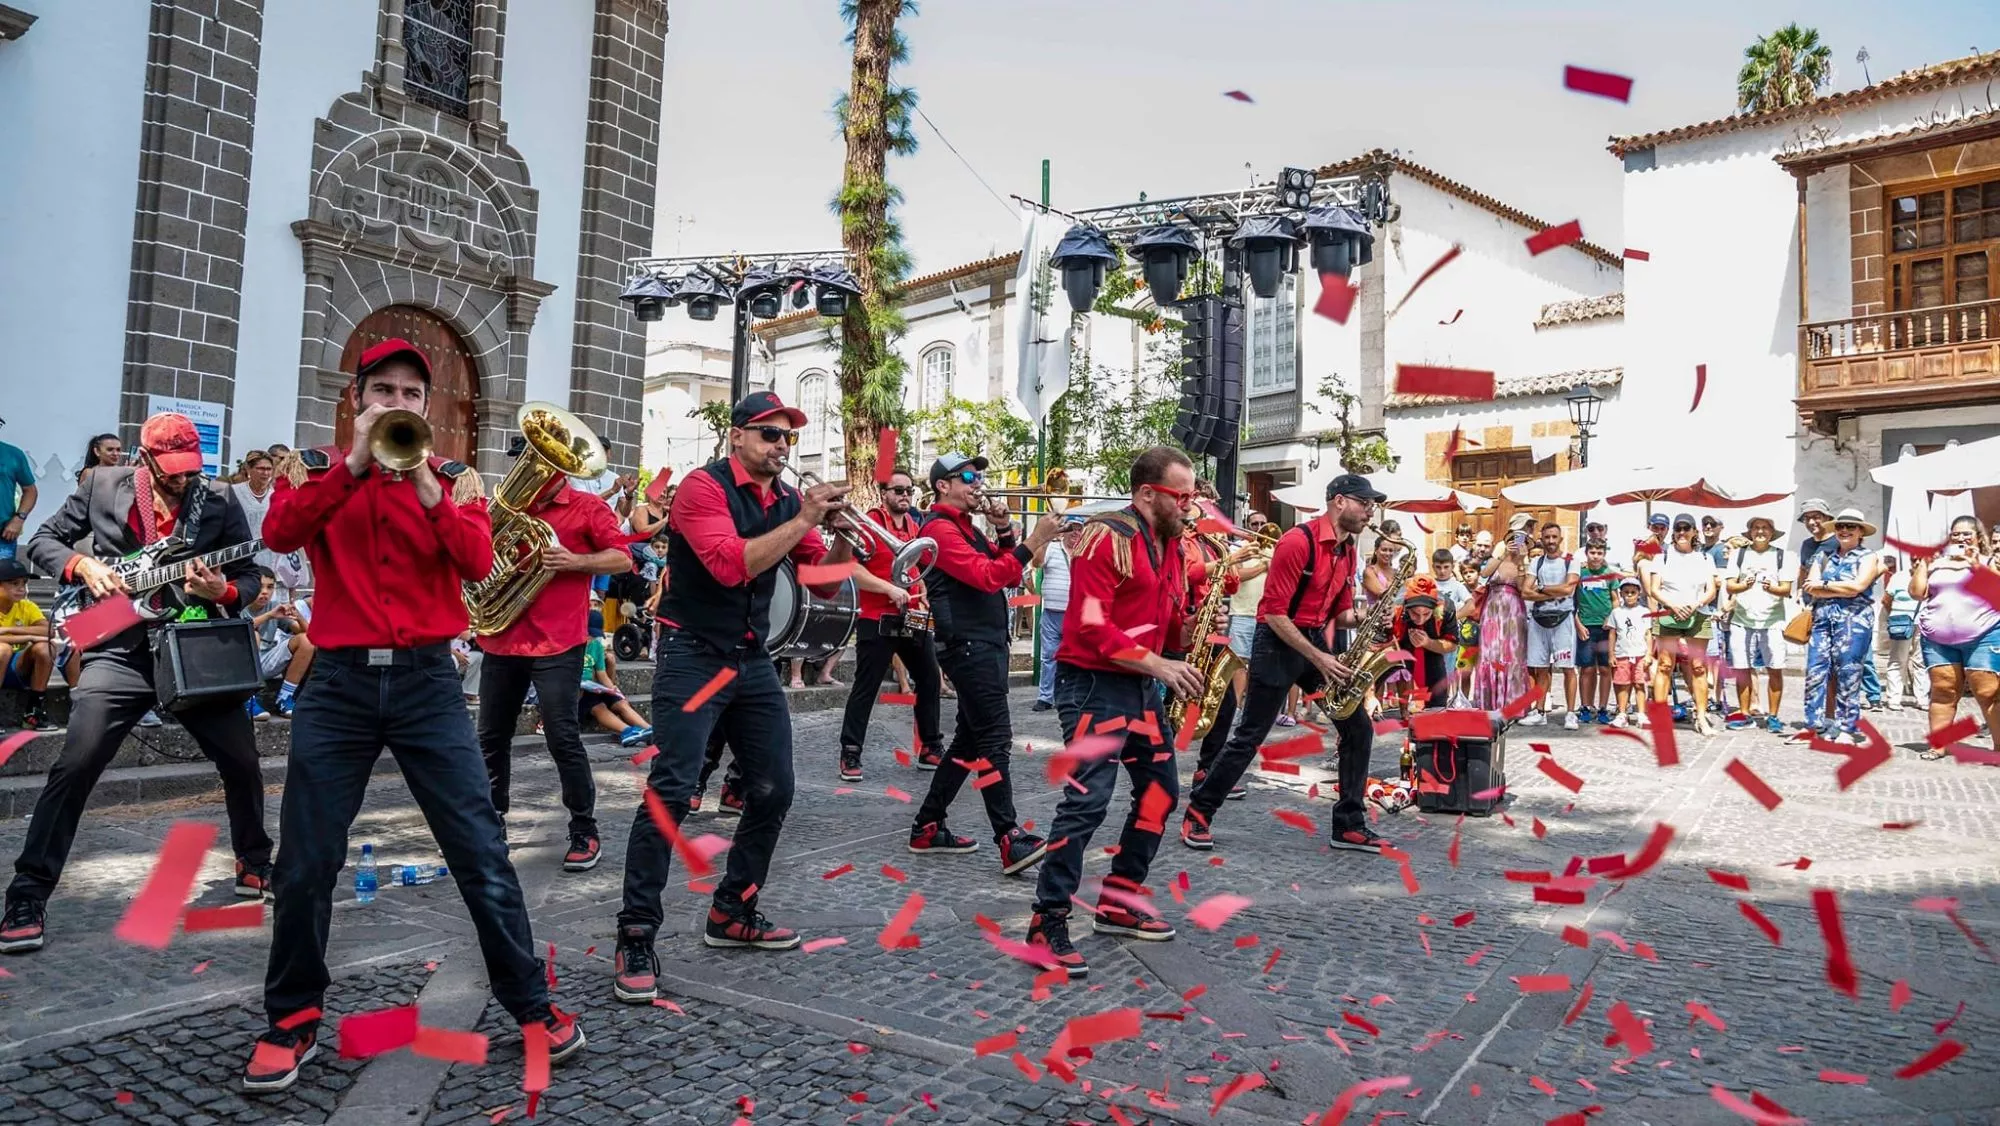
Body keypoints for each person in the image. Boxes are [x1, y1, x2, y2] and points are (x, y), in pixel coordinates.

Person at [248, 339, 583, 1092]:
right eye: (383, 391)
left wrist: (426, 482)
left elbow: (473, 562)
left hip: (428, 682)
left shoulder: (458, 482)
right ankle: (292, 1018)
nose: (397, 403)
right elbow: (281, 536)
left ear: (426, 408)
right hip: (336, 685)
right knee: (305, 860)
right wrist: (360, 465)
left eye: (410, 393)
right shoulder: (317, 470)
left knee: (480, 849)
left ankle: (530, 1005)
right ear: (356, 400)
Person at [612, 391, 856, 1005]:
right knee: (671, 790)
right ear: (738, 437)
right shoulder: (703, 488)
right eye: (770, 434)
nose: (781, 446)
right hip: (692, 654)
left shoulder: (785, 499)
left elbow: (820, 586)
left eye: (788, 437)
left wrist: (843, 539)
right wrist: (804, 520)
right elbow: (730, 566)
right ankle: (636, 932)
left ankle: (733, 910)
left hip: (750, 657)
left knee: (774, 787)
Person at [2, 413, 273, 959]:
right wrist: (82, 565)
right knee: (75, 765)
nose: (182, 479)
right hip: (118, 648)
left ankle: (255, 860)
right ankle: (27, 895)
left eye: (190, 469)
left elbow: (247, 577)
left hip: (194, 652)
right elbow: (42, 544)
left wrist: (223, 592)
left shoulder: (218, 499)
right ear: (144, 458)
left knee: (242, 761)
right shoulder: (102, 484)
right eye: (171, 470)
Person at [1025, 447, 1208, 976]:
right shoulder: (1109, 537)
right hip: (1094, 686)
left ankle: (1118, 900)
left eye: (1192, 495)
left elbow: (1163, 616)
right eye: (1183, 496)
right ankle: (1047, 918)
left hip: (1139, 684)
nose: (1190, 506)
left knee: (1160, 793)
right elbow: (1089, 625)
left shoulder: (1168, 543)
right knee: (1088, 802)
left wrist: (1186, 632)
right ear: (1147, 493)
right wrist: (1159, 664)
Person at [1181, 473, 1389, 855]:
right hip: (1276, 643)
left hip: (1309, 642)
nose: (1369, 511)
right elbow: (1275, 614)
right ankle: (1198, 811)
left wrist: (1369, 618)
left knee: (1358, 728)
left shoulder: (1348, 548)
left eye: (1372, 504)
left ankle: (1349, 824)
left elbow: (1339, 613)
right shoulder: (1297, 542)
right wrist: (1321, 657)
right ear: (1339, 501)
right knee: (1249, 737)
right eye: (1364, 503)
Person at [474, 441, 632, 875]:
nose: (530, 470)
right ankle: (492, 827)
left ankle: (584, 828)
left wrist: (576, 560)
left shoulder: (586, 507)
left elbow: (623, 558)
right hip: (503, 638)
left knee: (562, 737)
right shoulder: (504, 508)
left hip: (559, 641)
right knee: (490, 738)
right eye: (525, 462)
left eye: (540, 462)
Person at [905, 453, 1056, 871]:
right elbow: (987, 577)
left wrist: (1007, 530)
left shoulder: (966, 529)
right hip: (968, 647)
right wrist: (1035, 538)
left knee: (968, 743)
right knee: (995, 741)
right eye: (968, 477)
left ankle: (927, 826)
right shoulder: (938, 531)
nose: (978, 483)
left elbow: (1007, 574)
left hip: (983, 644)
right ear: (943, 486)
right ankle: (1008, 837)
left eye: (979, 476)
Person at [836, 466, 944, 782]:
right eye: (898, 490)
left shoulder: (914, 524)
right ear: (884, 493)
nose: (905, 496)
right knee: (866, 687)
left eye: (909, 490)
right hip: (876, 617)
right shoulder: (869, 522)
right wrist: (888, 589)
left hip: (910, 614)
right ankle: (851, 751)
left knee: (929, 678)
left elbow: (913, 566)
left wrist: (919, 586)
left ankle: (930, 746)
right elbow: (850, 569)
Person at [1910, 516, 2000, 756]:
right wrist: (1923, 564)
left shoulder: (1988, 561)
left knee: (1987, 692)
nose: (1960, 538)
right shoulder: (1936, 564)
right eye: (1956, 534)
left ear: (1978, 538)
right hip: (1937, 638)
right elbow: (1917, 593)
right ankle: (1938, 745)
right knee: (1943, 691)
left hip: (1983, 635)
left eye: (1966, 534)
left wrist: (1975, 565)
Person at [1799, 508, 1886, 746]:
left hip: (1854, 619)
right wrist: (1838, 586)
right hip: (1823, 617)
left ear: (1860, 532)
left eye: (1851, 527)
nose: (1844, 530)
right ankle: (1814, 725)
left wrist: (1825, 584)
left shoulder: (1868, 556)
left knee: (1849, 672)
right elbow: (1810, 586)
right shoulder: (1824, 555)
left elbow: (1858, 586)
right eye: (1840, 526)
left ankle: (1847, 727)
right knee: (1815, 670)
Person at [1645, 513, 1720, 735]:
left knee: (1698, 666)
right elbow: (1654, 588)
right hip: (1669, 613)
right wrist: (1673, 605)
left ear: (1694, 532)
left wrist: (1695, 604)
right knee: (1666, 665)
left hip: (1698, 614)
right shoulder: (1663, 557)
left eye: (1686, 529)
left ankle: (1701, 717)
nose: (1681, 533)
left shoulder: (1705, 558)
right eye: (1678, 529)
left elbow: (1711, 590)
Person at [1723, 516, 1790, 733]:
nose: (1760, 531)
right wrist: (1744, 585)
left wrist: (1772, 588)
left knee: (1775, 668)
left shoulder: (1782, 556)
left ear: (1772, 532)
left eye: (1765, 528)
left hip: (1772, 620)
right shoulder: (1739, 554)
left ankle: (1773, 716)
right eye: (1756, 528)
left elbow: (1786, 589)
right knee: (1742, 669)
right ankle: (1744, 714)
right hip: (1742, 620)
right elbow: (1730, 586)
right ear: (1750, 532)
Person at [0, 558, 73, 732]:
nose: (21, 588)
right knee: (3, 649)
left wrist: (8, 630)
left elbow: (49, 632)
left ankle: (33, 713)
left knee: (45, 647)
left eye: (24, 583)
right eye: (14, 583)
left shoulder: (26, 606)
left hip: (18, 667)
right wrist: (31, 635)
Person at [1521, 521, 1581, 728]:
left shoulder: (1571, 561)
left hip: (1563, 619)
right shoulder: (1536, 562)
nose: (1551, 541)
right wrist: (1550, 592)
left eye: (1554, 537)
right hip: (1539, 620)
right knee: (1540, 669)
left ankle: (1571, 712)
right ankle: (1540, 711)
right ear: (1542, 539)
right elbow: (1525, 591)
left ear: (1560, 539)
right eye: (1547, 537)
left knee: (1568, 668)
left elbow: (1568, 590)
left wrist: (1542, 588)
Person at [1469, 514, 1532, 711]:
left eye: (1522, 537)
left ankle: (1512, 702)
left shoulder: (1526, 560)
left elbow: (1523, 589)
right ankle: (1489, 701)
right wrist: (1504, 554)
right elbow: (1485, 574)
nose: (1517, 541)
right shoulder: (1498, 554)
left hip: (1514, 610)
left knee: (1512, 654)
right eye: (1514, 536)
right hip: (1493, 609)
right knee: (1491, 653)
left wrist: (1521, 561)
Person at [242, 567, 314, 721]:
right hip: (240, 667)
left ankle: (285, 698)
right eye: (260, 586)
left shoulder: (274, 606)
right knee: (252, 635)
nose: (265, 592)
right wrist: (269, 616)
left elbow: (309, 633)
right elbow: (241, 628)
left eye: (270, 587)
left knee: (306, 641)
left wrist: (297, 615)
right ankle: (248, 699)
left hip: (267, 660)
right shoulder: (239, 604)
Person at [1793, 498, 1837, 732]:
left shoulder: (1838, 541)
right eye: (1807, 518)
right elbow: (1803, 570)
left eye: (1816, 516)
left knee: (1836, 669)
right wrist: (1800, 595)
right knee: (1816, 668)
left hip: (1838, 611)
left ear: (1827, 518)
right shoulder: (1807, 545)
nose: (1812, 522)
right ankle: (1815, 719)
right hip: (1814, 612)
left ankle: (1833, 717)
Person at [579, 610, 652, 743]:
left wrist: (612, 689)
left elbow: (602, 675)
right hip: (578, 692)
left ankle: (649, 731)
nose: (590, 638)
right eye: (589, 634)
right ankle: (628, 731)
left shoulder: (596, 646)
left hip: (593, 687)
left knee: (620, 702)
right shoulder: (573, 646)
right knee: (598, 707)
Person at [1390, 576, 1459, 707]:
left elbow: (1452, 644)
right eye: (1415, 614)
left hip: (1434, 656)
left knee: (1437, 705)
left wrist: (1428, 643)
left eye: (1426, 614)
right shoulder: (1395, 608)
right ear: (1407, 608)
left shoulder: (1446, 608)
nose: (1420, 619)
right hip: (1402, 658)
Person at [1030, 515, 1076, 713]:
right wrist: (1047, 539)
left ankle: (1067, 695)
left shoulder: (1084, 551)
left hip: (1076, 614)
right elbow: (1037, 563)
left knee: (1073, 657)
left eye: (1079, 528)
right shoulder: (1054, 548)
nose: (1076, 532)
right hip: (1052, 611)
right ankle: (1046, 697)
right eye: (1072, 528)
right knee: (1049, 656)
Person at [1573, 539, 1616, 724]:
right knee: (1587, 669)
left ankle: (1603, 707)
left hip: (1606, 627)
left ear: (1604, 554)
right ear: (1587, 553)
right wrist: (1578, 624)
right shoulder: (1579, 573)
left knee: (1605, 669)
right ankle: (1585, 706)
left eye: (1599, 553)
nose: (1596, 556)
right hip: (1586, 626)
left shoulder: (1609, 574)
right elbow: (1572, 602)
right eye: (1593, 553)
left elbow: (1615, 600)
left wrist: (1612, 619)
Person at [1605, 578, 1651, 726]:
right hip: (1622, 653)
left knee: (1639, 684)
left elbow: (1648, 634)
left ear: (1639, 593)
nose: (1630, 595)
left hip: (1640, 653)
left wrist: (1649, 654)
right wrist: (1611, 654)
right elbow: (1612, 634)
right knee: (1622, 684)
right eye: (1626, 592)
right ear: (1621, 594)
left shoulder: (1644, 612)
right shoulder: (1616, 612)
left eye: (1633, 592)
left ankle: (1641, 714)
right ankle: (1622, 713)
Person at [1880, 555, 1920, 711]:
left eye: (1920, 560)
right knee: (1898, 660)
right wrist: (1896, 616)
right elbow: (1886, 599)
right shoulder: (1899, 577)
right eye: (1913, 559)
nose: (1916, 563)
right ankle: (1894, 699)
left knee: (1921, 661)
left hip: (1923, 623)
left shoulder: (1930, 576)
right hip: (1902, 623)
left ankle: (1922, 698)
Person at [0, 419, 37, 561]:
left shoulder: (13, 454)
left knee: (4, 581)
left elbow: (30, 490)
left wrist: (19, 519)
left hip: (3, 534)